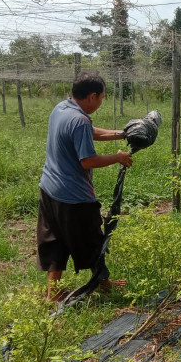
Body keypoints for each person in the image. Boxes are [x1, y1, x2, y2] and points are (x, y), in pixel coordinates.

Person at [37, 71, 133, 302]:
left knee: (55, 242)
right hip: (73, 197)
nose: (101, 103)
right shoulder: (80, 120)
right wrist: (118, 157)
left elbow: (87, 132)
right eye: (101, 98)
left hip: (49, 190)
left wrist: (122, 134)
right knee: (92, 241)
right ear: (92, 96)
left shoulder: (61, 109)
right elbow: (87, 161)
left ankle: (53, 294)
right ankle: (104, 284)